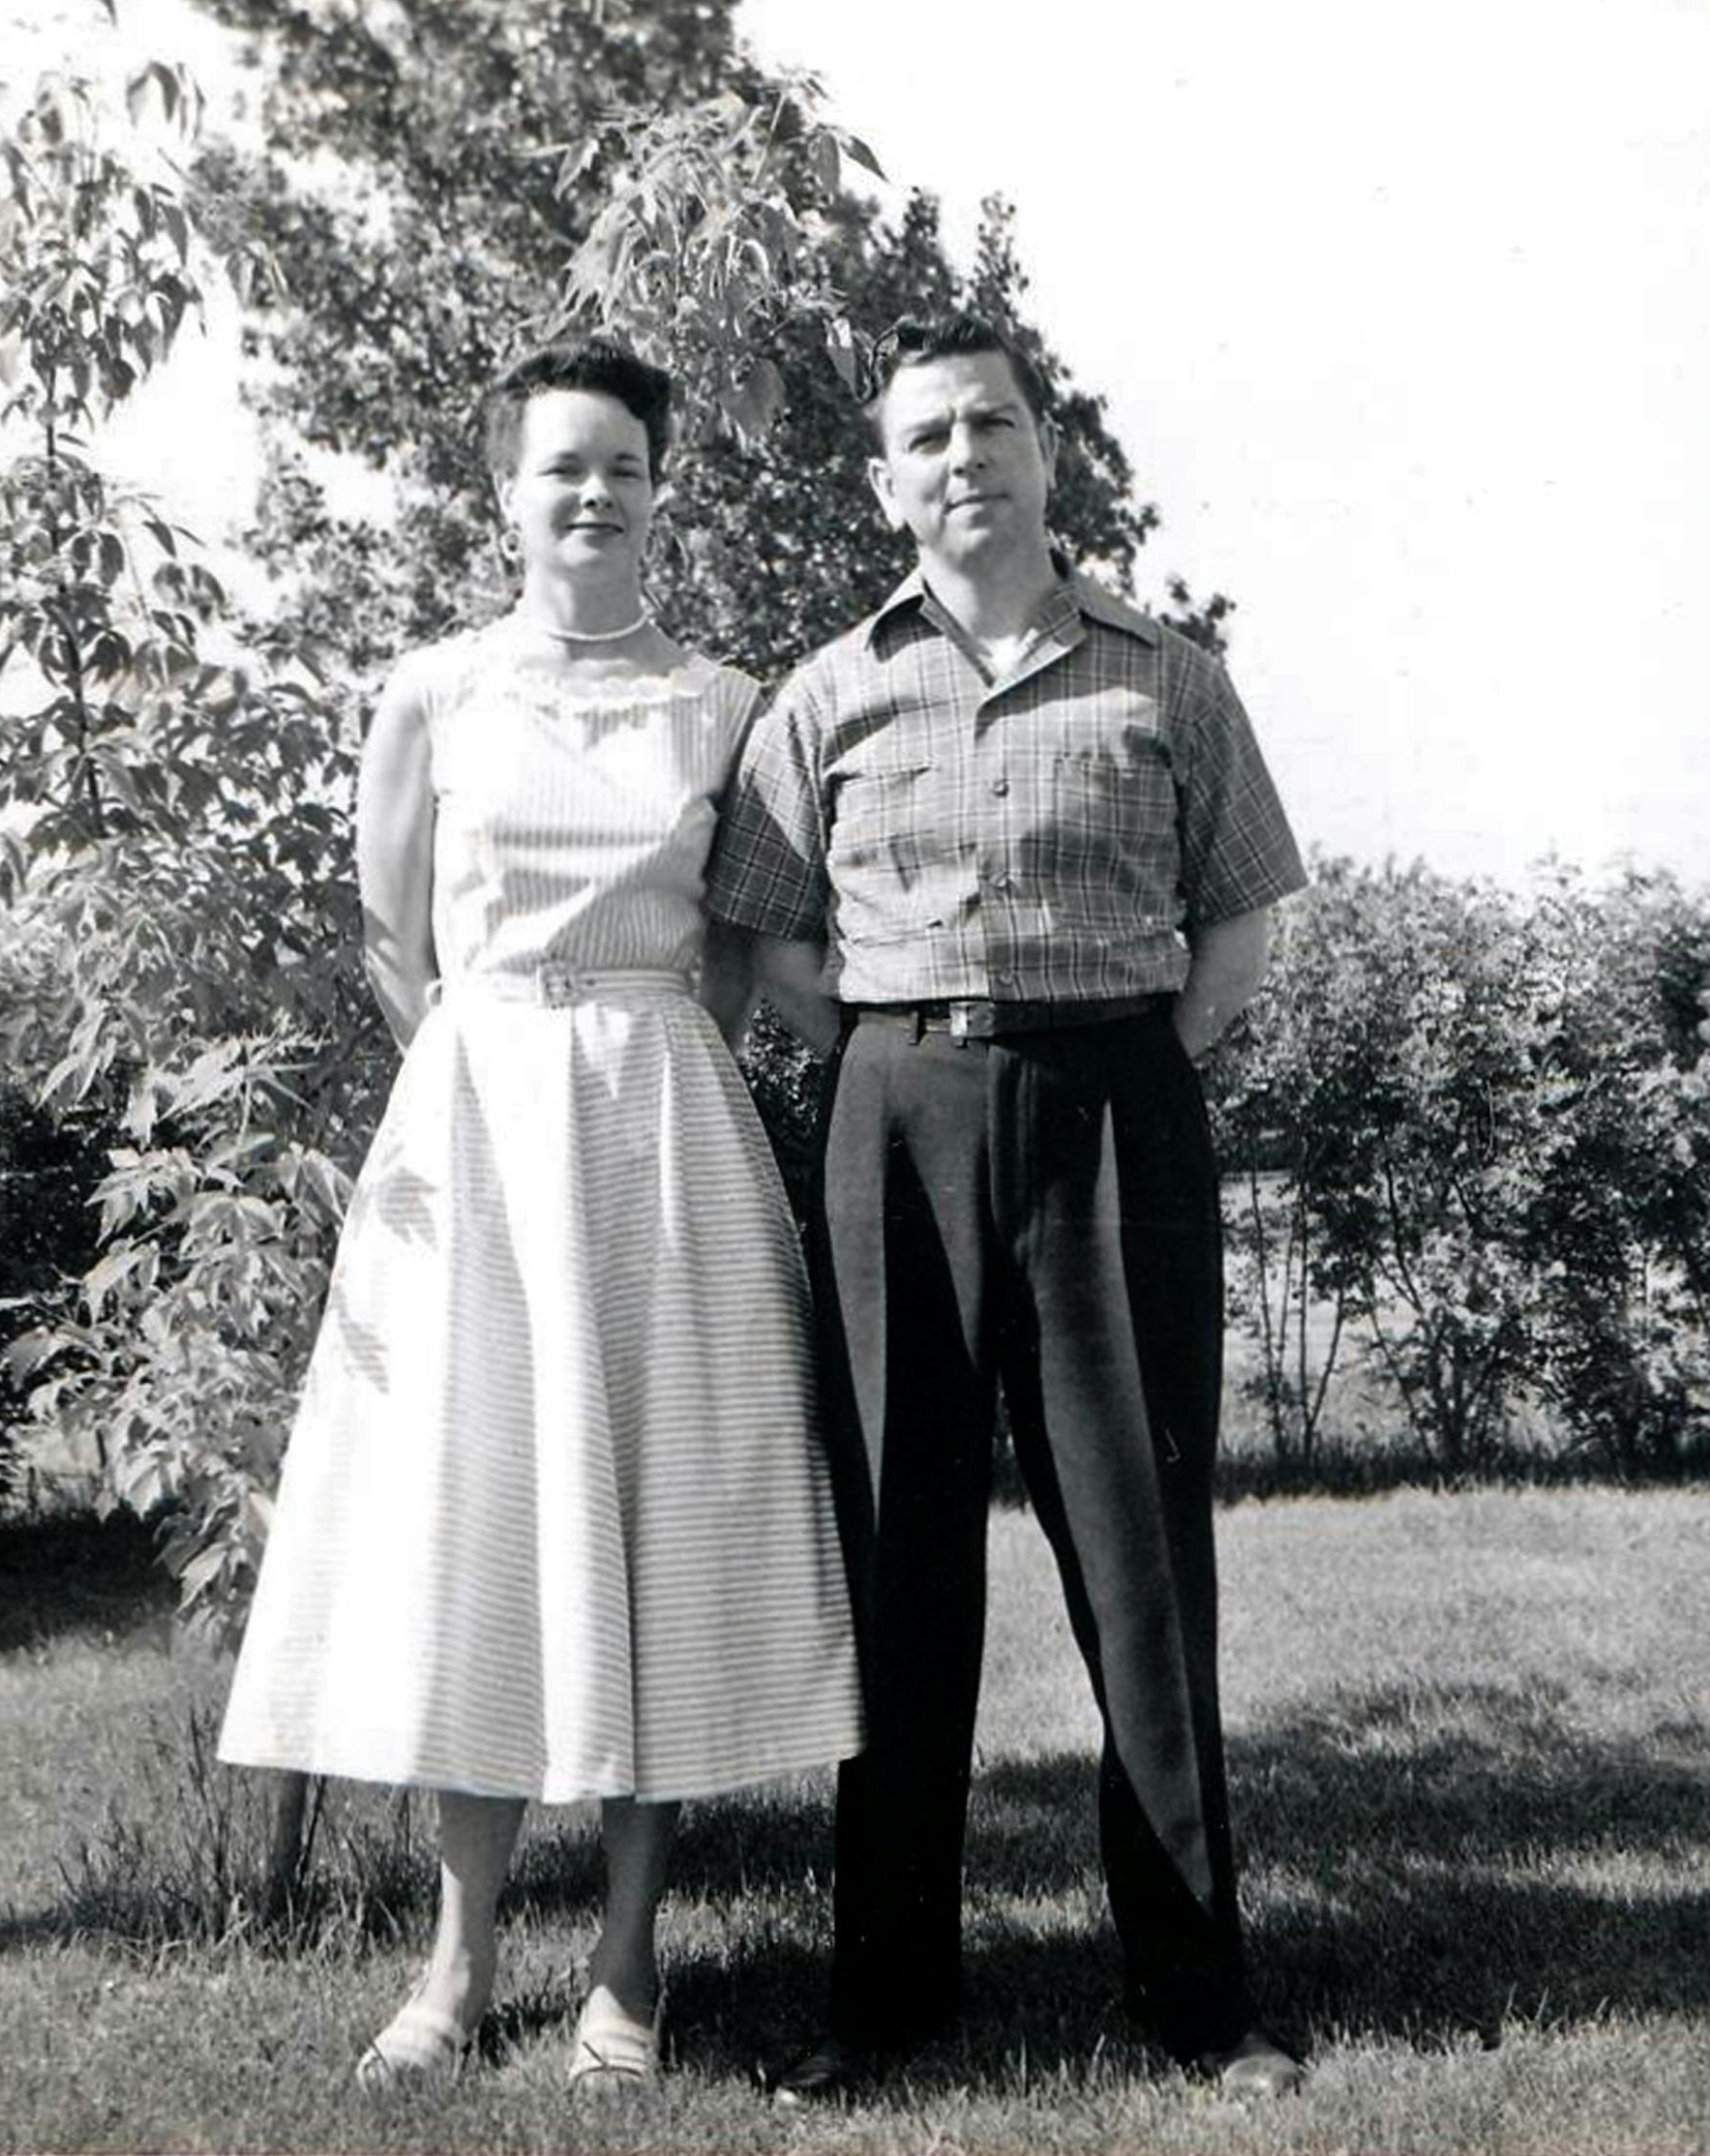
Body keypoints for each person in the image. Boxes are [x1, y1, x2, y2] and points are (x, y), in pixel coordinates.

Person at [218, 338, 863, 2095]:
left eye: (625, 468)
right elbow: (388, 934)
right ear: (505, 490)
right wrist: (488, 1079)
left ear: (664, 490)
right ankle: (456, 1964)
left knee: (653, 1533)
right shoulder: (433, 690)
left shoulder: (727, 705)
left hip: (660, 1139)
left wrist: (630, 1068)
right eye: (559, 466)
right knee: (479, 1536)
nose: (594, 494)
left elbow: (738, 943)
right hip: (476, 1136)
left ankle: (630, 1974)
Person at [703, 313, 1308, 2103]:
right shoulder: (824, 693)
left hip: (1118, 1111)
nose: (965, 457)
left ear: (1048, 454)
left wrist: (1109, 1062)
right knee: (899, 1567)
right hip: (896, 1116)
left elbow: (1244, 923)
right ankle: (886, 2003)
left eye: (993, 424)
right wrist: (916, 1063)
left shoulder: (1167, 675)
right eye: (928, 438)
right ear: (887, 483)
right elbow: (778, 946)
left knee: (1143, 1572)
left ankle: (1200, 2001)